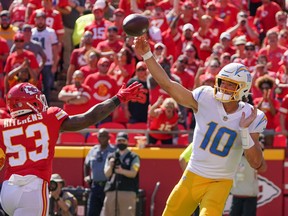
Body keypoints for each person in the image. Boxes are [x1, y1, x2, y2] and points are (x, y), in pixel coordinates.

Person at [134, 36, 267, 216]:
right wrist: (148, 55)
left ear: (243, 89)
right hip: (193, 175)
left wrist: (244, 130)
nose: (224, 88)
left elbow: (256, 163)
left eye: (231, 85)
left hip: (220, 182)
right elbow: (168, 85)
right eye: (223, 82)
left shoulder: (252, 116)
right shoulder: (205, 97)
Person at [0, 81, 145, 216]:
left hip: (7, 190)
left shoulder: (3, 125)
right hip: (32, 189)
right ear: (32, 102)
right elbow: (89, 117)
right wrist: (117, 98)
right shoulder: (49, 117)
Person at [101, 132, 140, 216]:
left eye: (123, 140)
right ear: (115, 141)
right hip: (112, 190)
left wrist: (121, 171)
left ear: (127, 142)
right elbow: (107, 174)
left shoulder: (134, 157)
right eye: (119, 141)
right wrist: (111, 165)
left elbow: (133, 173)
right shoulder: (111, 156)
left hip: (127, 190)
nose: (121, 143)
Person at [84, 128, 116, 216]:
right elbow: (86, 164)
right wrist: (86, 176)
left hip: (109, 186)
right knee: (92, 212)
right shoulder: (93, 150)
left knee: (109, 212)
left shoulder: (113, 150)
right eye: (100, 136)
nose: (102, 138)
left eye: (104, 136)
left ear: (109, 138)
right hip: (95, 186)